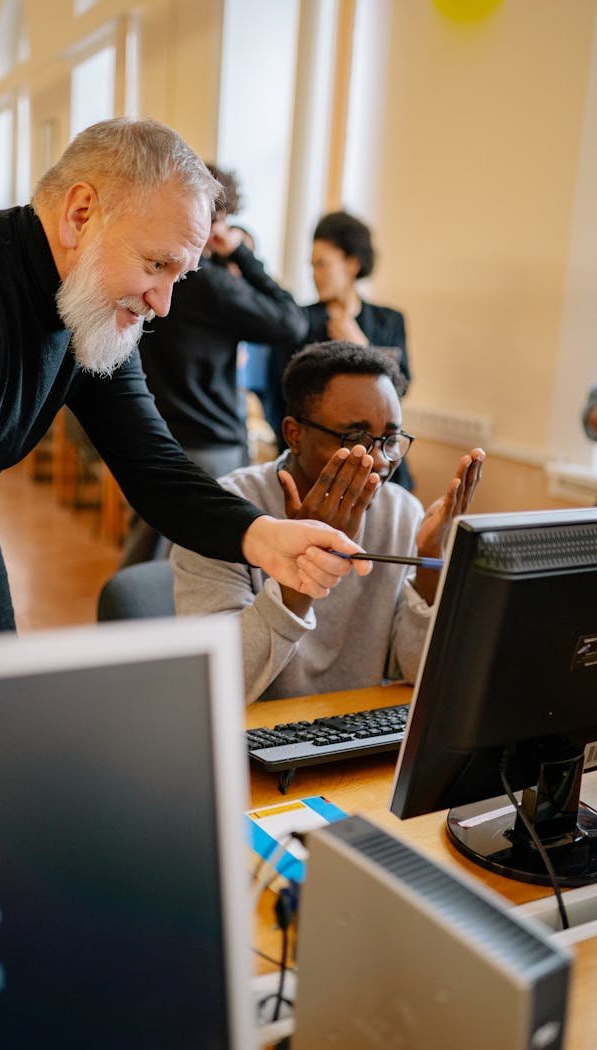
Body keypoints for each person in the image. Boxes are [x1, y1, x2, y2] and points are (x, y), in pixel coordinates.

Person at [0, 119, 369, 635]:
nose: (162, 305)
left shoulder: (89, 305)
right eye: (154, 265)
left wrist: (263, 536)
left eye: (178, 276)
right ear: (81, 216)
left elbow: (154, 466)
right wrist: (9, 687)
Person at [171, 342, 485, 702]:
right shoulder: (221, 516)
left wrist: (431, 557)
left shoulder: (402, 513)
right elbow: (217, 686)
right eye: (355, 438)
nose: (379, 462)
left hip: (353, 735)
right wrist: (305, 568)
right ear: (294, 434)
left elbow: (414, 671)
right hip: (255, 741)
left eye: (391, 439)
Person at [119, 165, 308, 565]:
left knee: (146, 559)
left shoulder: (152, 271)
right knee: (197, 570)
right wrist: (240, 253)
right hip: (208, 444)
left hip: (154, 433)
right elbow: (291, 321)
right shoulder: (211, 285)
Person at [268, 210, 413, 491]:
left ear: (352, 264)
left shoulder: (390, 321)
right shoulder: (298, 320)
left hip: (384, 465)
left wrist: (362, 346)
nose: (314, 274)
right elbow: (279, 394)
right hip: (314, 466)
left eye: (322, 264)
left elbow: (402, 387)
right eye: (311, 265)